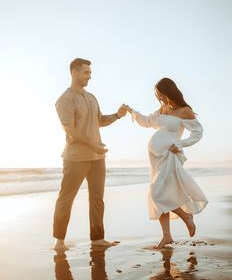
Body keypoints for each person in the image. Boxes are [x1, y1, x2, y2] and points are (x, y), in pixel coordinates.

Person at [53, 58, 127, 251]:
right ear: (74, 72)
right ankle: (59, 240)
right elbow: (69, 129)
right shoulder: (65, 99)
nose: (89, 76)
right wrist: (92, 144)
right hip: (75, 158)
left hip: (97, 158)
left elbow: (99, 121)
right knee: (66, 198)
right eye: (86, 73)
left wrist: (118, 115)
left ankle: (97, 238)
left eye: (90, 73)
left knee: (97, 199)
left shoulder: (92, 97)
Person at [125, 78, 208, 249]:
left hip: (169, 156)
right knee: (159, 195)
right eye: (158, 95)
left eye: (162, 94)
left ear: (169, 91)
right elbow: (147, 121)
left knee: (157, 193)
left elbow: (198, 132)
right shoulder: (163, 109)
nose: (160, 98)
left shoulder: (185, 111)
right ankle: (167, 236)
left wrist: (180, 144)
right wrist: (131, 111)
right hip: (155, 158)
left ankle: (187, 217)